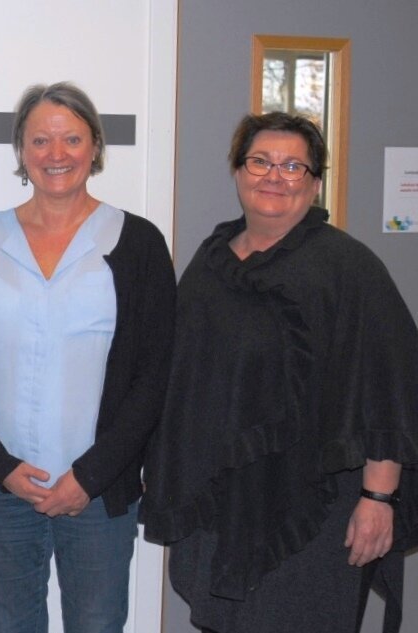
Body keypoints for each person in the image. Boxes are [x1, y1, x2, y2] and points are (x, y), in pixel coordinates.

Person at [140, 112, 418, 633]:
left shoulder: (348, 267)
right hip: (223, 498)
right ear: (238, 172)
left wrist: (379, 498)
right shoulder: (211, 261)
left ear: (315, 182)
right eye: (260, 162)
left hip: (311, 507)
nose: (274, 176)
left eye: (293, 166)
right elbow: (183, 378)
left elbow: (389, 384)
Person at [0, 82, 176, 633]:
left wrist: (89, 476)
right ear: (21, 150)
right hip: (1, 494)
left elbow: (154, 375)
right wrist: (0, 469)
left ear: (95, 147)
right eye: (40, 140)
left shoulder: (137, 244)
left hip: (97, 497)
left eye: (71, 138)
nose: (56, 154)